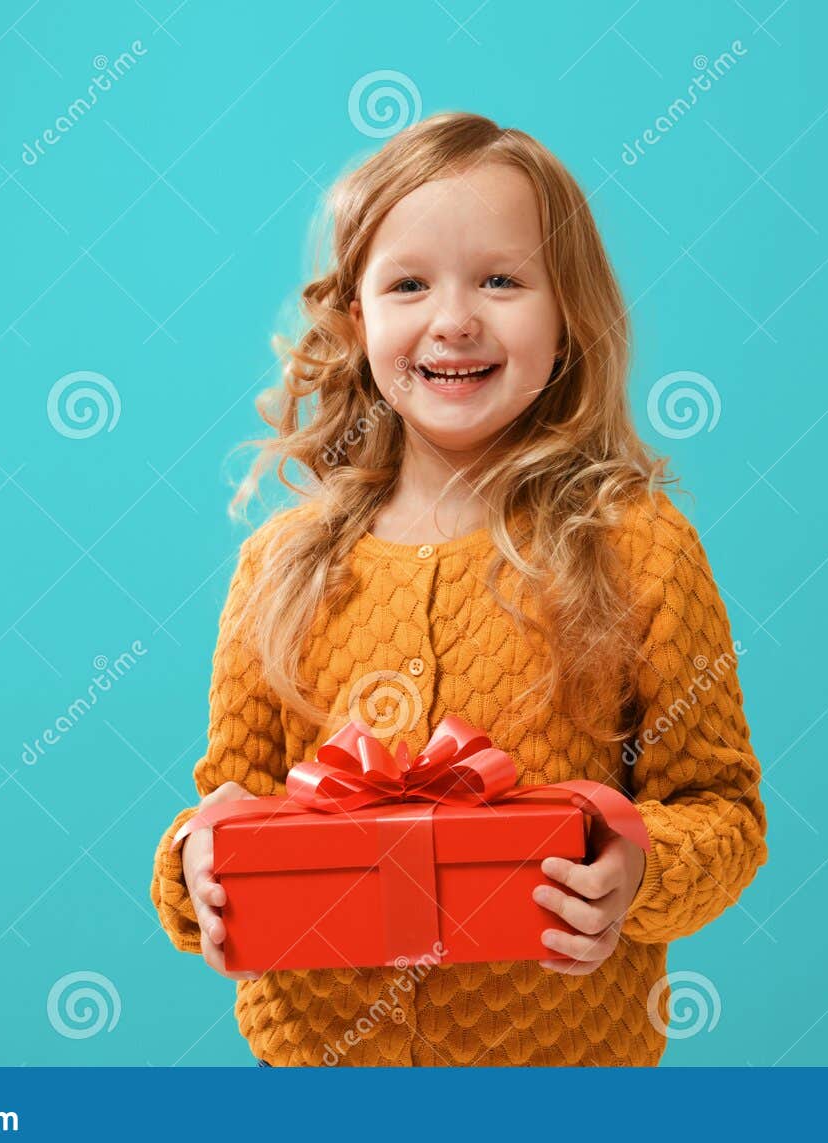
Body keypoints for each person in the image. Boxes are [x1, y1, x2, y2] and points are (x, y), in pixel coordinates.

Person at [150, 111, 767, 1066]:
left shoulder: (637, 546)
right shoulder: (283, 567)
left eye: (502, 280)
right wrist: (193, 864)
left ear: (568, 314)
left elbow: (723, 810)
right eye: (408, 284)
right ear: (358, 323)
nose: (455, 318)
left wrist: (636, 865)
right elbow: (232, 803)